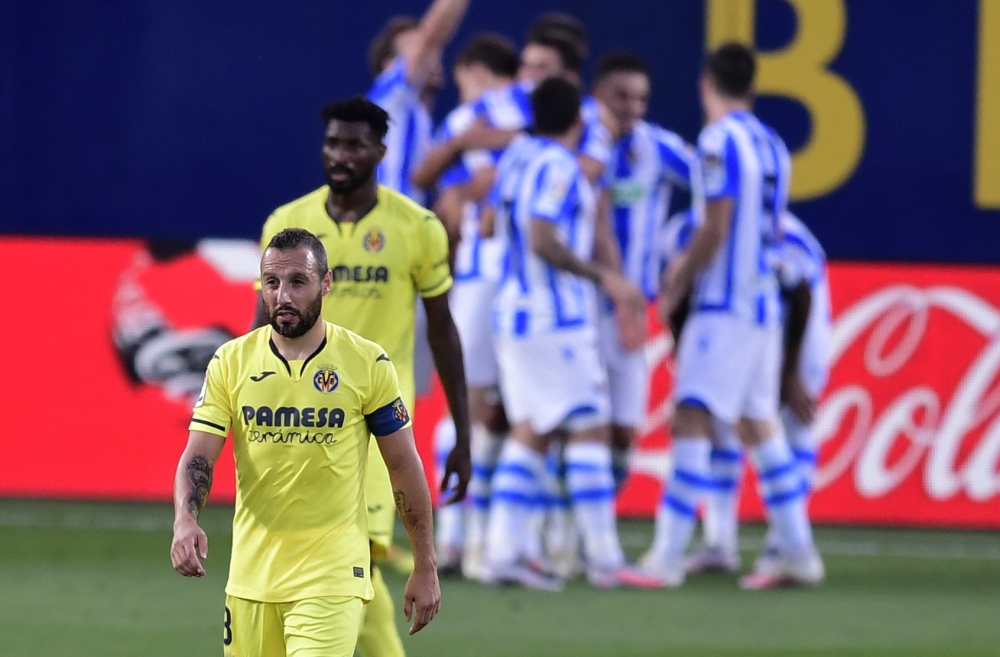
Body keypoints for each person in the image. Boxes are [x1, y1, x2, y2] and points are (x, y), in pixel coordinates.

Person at [252, 97, 471, 656]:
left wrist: (463, 437)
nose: (340, 155)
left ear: (380, 152)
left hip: (377, 425)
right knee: (333, 559)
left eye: (353, 145)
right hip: (303, 419)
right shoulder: (287, 224)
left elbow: (443, 332)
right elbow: (264, 332)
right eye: (332, 143)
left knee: (356, 554)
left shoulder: (417, 228)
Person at [171, 228, 440, 657]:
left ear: (326, 283)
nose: (283, 296)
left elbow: (404, 466)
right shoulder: (231, 361)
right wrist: (185, 518)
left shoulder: (367, 363)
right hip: (251, 578)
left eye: (298, 281)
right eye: (273, 283)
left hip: (331, 578)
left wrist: (425, 563)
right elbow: (199, 453)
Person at [646, 43, 824, 589]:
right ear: (753, 84)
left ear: (706, 84)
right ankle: (798, 551)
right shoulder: (774, 145)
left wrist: (678, 280)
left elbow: (716, 225)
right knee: (757, 427)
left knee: (691, 416)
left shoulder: (719, 140)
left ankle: (666, 557)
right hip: (764, 303)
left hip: (726, 306)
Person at [481, 77, 655, 590]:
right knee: (589, 426)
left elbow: (493, 222)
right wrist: (607, 279)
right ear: (578, 120)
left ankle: (501, 552)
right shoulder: (558, 165)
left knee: (533, 428)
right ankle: (604, 560)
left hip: (512, 312)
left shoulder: (515, 156)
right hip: (553, 318)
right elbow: (542, 237)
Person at [409, 33, 520, 578]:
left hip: (483, 278)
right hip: (532, 287)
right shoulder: (553, 113)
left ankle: (455, 541)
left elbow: (439, 191)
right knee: (505, 413)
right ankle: (490, 543)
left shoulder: (466, 121)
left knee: (474, 404)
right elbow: (453, 194)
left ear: (473, 69)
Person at [682, 210, 832, 575]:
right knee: (719, 421)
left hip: (801, 331)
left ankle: (784, 543)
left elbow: (800, 295)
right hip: (745, 326)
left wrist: (790, 371)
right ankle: (719, 542)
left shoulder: (781, 236)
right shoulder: (691, 229)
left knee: (792, 424)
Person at [590, 51, 694, 488]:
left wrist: (683, 258)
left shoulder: (658, 147)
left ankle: (589, 530)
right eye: (621, 96)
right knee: (574, 426)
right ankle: (558, 537)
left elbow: (721, 193)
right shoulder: (575, 141)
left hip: (631, 308)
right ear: (597, 95)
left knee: (623, 432)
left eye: (640, 99)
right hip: (578, 305)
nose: (632, 107)